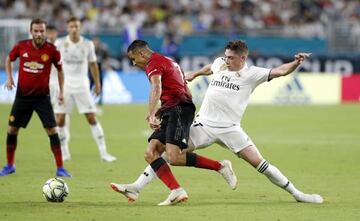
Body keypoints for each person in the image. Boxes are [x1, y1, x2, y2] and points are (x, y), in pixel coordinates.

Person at [110, 40, 324, 204]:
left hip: (231, 129)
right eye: (226, 56)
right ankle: (137, 186)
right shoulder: (220, 64)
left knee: (261, 164)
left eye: (231, 57)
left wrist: (295, 63)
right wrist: (195, 73)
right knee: (169, 153)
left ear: (242, 58)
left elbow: (280, 71)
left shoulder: (252, 74)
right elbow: (209, 68)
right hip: (203, 125)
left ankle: (298, 194)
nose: (226, 60)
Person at [110, 40, 238, 206]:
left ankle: (220, 166)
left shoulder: (153, 64)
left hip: (179, 110)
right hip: (173, 109)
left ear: (142, 53)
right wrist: (161, 110)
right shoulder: (168, 61)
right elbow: (184, 89)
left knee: (174, 157)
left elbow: (156, 87)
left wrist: (151, 114)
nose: (134, 63)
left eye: (134, 58)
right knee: (151, 152)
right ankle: (174, 190)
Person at [0, 18, 71, 177]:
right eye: (36, 31)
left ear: (45, 32)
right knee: (12, 129)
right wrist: (9, 78)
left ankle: (60, 168)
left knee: (52, 130)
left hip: (42, 98)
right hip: (22, 97)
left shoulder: (52, 50)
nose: (39, 34)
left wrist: (61, 91)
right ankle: (10, 165)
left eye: (41, 31)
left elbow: (60, 70)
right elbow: (9, 59)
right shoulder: (21, 46)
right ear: (31, 32)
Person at [54, 16, 116, 162]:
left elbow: (93, 64)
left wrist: (98, 84)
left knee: (91, 117)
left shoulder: (88, 44)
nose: (74, 29)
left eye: (76, 26)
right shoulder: (60, 43)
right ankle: (64, 152)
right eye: (71, 26)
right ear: (67, 28)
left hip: (82, 85)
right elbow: (54, 65)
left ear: (80, 28)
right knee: (60, 120)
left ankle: (104, 153)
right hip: (65, 86)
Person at [46, 25, 71, 160]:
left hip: (61, 85)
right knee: (51, 119)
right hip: (46, 86)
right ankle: (58, 145)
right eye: (48, 33)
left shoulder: (62, 44)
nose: (50, 35)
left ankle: (64, 148)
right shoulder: (41, 47)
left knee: (60, 118)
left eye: (53, 32)